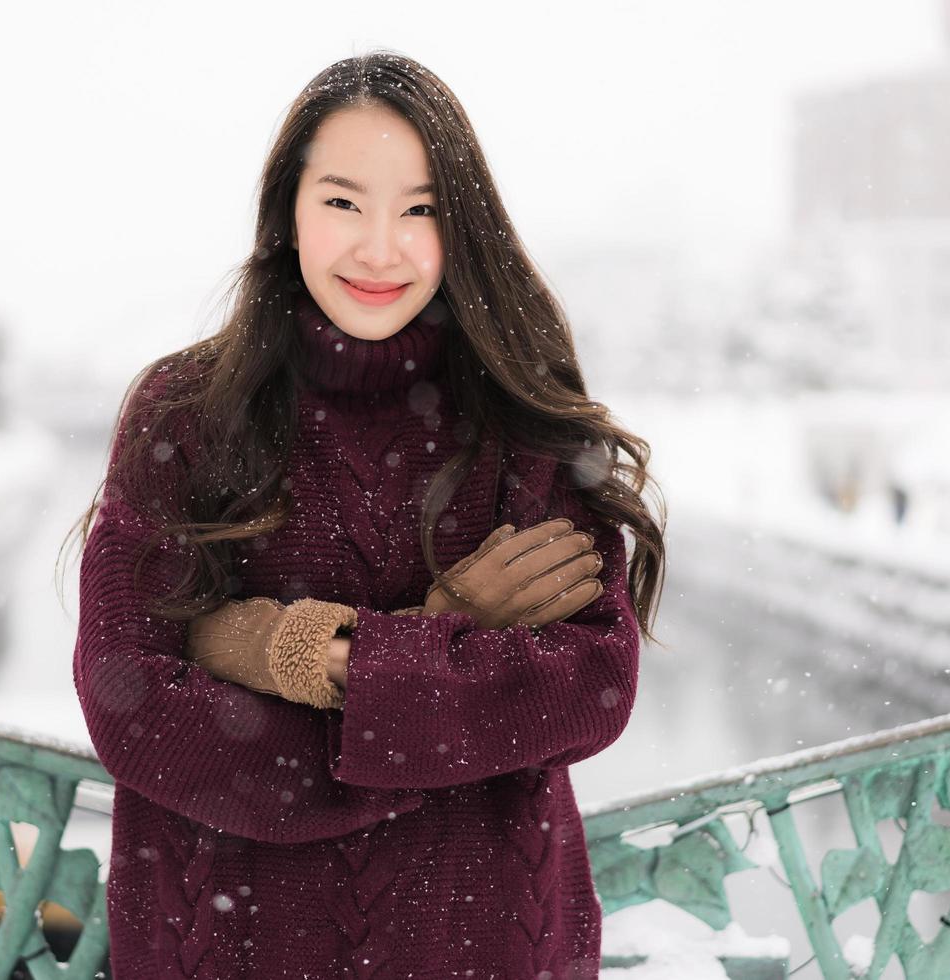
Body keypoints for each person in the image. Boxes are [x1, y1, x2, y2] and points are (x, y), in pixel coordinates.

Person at [66, 50, 666, 980]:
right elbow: (130, 701)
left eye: (420, 210)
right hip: (225, 951)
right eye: (343, 202)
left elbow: (591, 683)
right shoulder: (188, 410)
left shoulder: (519, 412)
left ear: (460, 226)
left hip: (488, 949)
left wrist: (278, 648)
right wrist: (436, 643)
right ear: (288, 211)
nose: (380, 248)